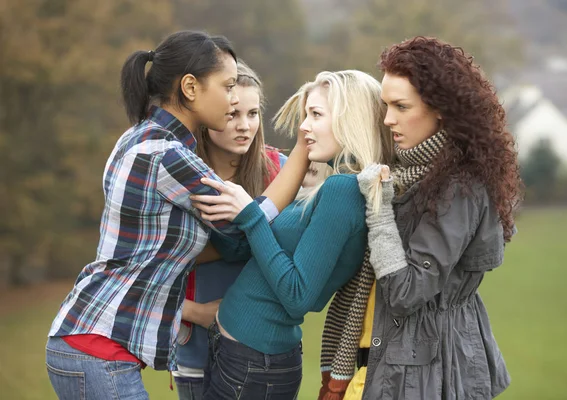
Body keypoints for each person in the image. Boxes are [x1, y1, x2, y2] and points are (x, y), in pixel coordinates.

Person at [45, 31, 309, 400]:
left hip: (88, 342)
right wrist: (302, 153)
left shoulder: (138, 137)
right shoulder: (167, 155)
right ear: (190, 87)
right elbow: (246, 224)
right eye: (228, 86)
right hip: (97, 350)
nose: (234, 99)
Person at [320, 36, 522, 400]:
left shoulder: (460, 186)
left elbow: (405, 291)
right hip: (383, 365)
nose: (388, 119)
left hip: (428, 376)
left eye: (401, 106)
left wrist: (378, 209)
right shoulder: (404, 169)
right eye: (385, 105)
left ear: (441, 108)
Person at [191, 70, 395, 399]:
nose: (304, 127)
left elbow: (300, 295)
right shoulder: (337, 184)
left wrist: (250, 215)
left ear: (349, 118)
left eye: (315, 115)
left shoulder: (343, 190)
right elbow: (265, 252)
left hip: (254, 364)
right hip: (246, 356)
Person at [172, 60, 288, 400]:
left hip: (266, 348)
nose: (244, 126)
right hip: (197, 345)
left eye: (253, 114)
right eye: (233, 114)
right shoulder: (181, 174)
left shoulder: (279, 171)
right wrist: (195, 312)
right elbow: (150, 265)